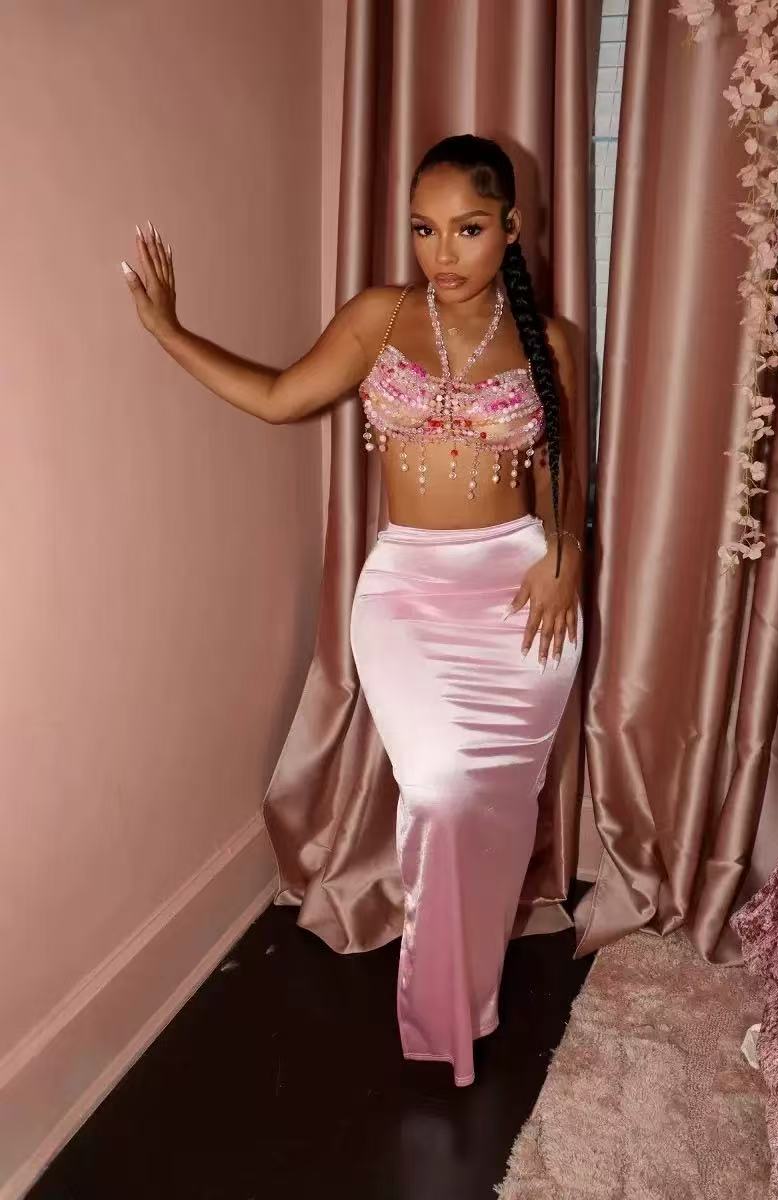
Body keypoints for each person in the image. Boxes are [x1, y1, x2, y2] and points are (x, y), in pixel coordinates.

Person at [121, 134, 585, 1088]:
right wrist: (170, 332)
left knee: (496, 815)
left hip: (519, 594)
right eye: (424, 229)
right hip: (408, 594)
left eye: (467, 229)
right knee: (441, 792)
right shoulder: (381, 316)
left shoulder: (554, 339)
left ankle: (470, 999)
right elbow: (280, 397)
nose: (442, 253)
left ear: (511, 229)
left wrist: (569, 555)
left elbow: (566, 469)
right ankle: (441, 1015)